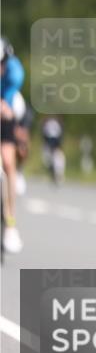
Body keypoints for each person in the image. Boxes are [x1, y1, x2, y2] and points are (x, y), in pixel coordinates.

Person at [0, 36, 24, 253]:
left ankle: (10, 223)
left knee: (8, 162)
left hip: (5, 109)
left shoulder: (14, 72)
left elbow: (6, 105)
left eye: (1, 65)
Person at [40, 115, 66, 185]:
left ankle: (58, 176)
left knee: (58, 159)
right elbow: (44, 134)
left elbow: (61, 134)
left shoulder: (58, 122)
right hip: (48, 143)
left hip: (56, 143)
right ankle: (52, 174)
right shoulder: (46, 122)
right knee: (48, 160)